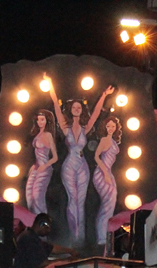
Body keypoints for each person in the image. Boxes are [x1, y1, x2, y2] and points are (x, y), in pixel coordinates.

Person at [48, 77, 114, 244]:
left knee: (81, 201)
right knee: (72, 199)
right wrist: (51, 89)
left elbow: (97, 113)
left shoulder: (86, 128)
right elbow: (56, 108)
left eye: (79, 107)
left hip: (83, 165)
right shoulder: (65, 127)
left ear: (81, 110)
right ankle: (73, 236)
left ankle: (81, 238)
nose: (76, 109)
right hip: (69, 164)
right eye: (74, 107)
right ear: (70, 110)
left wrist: (104, 95)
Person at [12, 212, 79, 268]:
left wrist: (70, 251)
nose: (49, 230)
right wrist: (67, 261)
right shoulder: (29, 239)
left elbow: (52, 248)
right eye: (48, 227)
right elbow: (42, 264)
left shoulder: (31, 236)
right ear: (41, 225)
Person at [92, 115, 122, 246]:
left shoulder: (113, 141)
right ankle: (101, 236)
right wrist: (105, 173)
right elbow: (97, 157)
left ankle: (104, 234)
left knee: (110, 203)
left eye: (113, 126)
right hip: (102, 172)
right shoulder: (104, 140)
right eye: (108, 126)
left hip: (108, 172)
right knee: (107, 203)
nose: (110, 128)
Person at [25, 109, 58, 215]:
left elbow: (55, 157)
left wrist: (45, 166)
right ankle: (32, 219)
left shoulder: (48, 135)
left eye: (42, 120)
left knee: (37, 195)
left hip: (44, 168)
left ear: (47, 121)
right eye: (38, 120)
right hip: (36, 167)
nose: (40, 122)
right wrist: (34, 165)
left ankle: (42, 220)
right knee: (29, 195)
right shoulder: (38, 134)